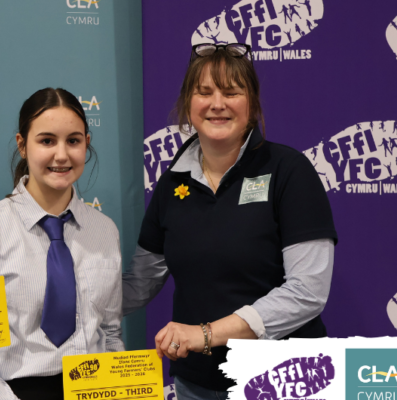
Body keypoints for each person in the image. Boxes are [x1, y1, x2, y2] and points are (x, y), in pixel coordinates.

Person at [123, 43, 337, 400]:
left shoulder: (289, 171)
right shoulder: (172, 183)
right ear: (188, 103)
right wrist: (61, 300)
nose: (217, 103)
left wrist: (206, 334)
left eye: (232, 92)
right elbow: (140, 283)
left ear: (251, 104)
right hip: (196, 384)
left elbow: (308, 292)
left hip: (281, 380)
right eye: (204, 92)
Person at [0, 88, 124, 400]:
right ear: (22, 145)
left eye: (73, 141)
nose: (62, 155)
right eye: (47, 141)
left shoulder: (105, 231)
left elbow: (109, 333)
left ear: (86, 144)